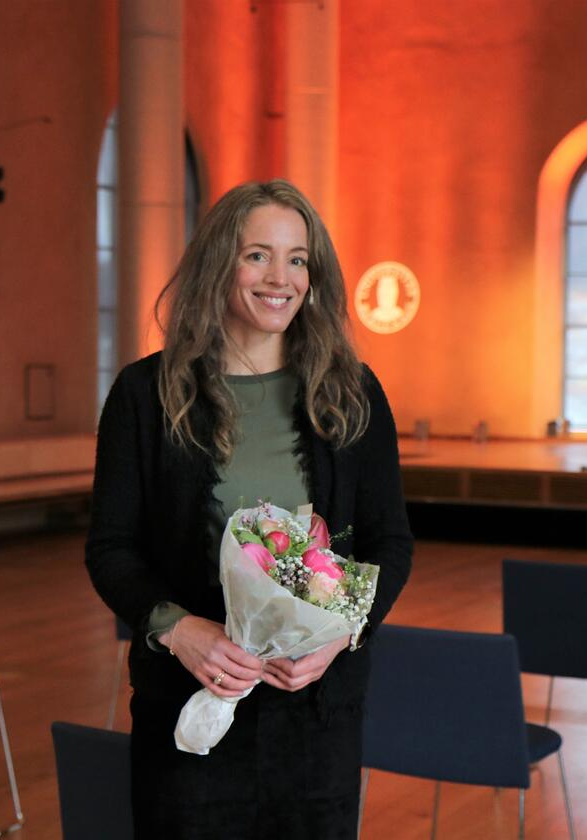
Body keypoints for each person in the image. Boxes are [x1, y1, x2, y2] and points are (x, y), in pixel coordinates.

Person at [86, 180, 414, 839]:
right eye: (257, 255)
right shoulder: (143, 394)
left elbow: (389, 541)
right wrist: (181, 630)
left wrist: (341, 633)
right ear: (219, 264)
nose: (281, 278)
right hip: (191, 704)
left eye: (298, 259)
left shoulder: (353, 392)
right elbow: (111, 547)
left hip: (316, 711)